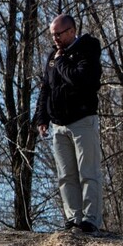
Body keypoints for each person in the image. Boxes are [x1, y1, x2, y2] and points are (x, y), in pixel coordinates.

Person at [33, 14, 103, 233]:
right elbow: (46, 88)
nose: (55, 39)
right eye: (52, 35)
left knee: (88, 173)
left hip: (82, 121)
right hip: (58, 125)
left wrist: (62, 61)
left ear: (72, 31)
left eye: (58, 34)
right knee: (66, 175)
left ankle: (90, 220)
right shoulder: (53, 57)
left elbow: (80, 79)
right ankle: (73, 219)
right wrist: (41, 117)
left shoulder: (87, 49)